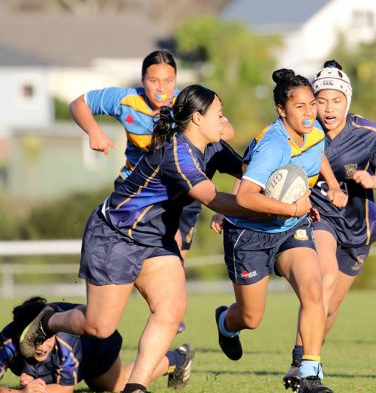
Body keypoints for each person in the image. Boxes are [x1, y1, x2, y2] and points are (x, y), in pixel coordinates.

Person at [19, 84, 252, 393]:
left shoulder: (215, 148)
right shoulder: (176, 153)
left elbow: (251, 174)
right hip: (115, 237)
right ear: (197, 118)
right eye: (219, 115)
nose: (225, 122)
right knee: (99, 327)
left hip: (155, 243)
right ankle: (50, 321)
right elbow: (216, 200)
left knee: (172, 307)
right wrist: (276, 210)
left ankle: (136, 387)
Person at [214, 68, 347, 393]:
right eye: (299, 106)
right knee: (250, 318)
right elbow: (245, 196)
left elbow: (318, 156)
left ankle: (310, 376)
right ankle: (224, 324)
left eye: (311, 104)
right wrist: (292, 206)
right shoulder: (272, 145)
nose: (309, 112)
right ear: (281, 109)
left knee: (314, 293)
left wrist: (329, 185)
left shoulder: (314, 131)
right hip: (250, 235)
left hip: (291, 229)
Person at [281, 60, 376, 391]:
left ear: (347, 102)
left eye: (336, 100)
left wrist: (374, 182)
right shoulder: (302, 129)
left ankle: (308, 361)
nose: (328, 108)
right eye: (321, 100)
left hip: (358, 229)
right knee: (321, 280)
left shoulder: (369, 134)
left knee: (331, 305)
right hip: (318, 217)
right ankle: (303, 364)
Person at [69, 50, 235, 259]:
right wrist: (94, 132)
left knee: (176, 260)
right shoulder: (126, 99)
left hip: (185, 189)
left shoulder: (185, 104)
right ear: (142, 80)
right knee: (164, 250)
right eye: (153, 80)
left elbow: (226, 130)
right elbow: (78, 103)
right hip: (140, 190)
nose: (161, 88)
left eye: (169, 81)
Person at [1, 297, 193, 393]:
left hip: (96, 345)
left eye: (47, 338)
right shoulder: (6, 343)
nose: (42, 346)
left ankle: (178, 358)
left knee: (116, 385)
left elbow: (65, 388)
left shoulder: (66, 339)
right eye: (36, 340)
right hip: (69, 353)